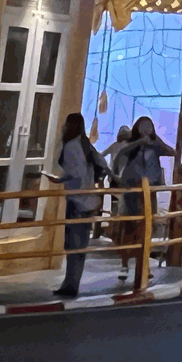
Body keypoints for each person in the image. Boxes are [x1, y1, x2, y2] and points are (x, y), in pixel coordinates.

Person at [46, 112, 110, 297]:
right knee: (80, 246)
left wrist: (60, 180)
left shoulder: (72, 146)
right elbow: (102, 164)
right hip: (89, 201)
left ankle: (70, 284)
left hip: (76, 200)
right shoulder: (86, 145)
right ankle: (73, 282)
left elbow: (76, 175)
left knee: (73, 245)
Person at [109, 116, 174, 287]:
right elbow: (120, 155)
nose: (147, 129)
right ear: (137, 128)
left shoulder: (154, 146)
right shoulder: (131, 145)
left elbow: (172, 152)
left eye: (150, 126)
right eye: (144, 126)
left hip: (150, 191)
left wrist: (157, 142)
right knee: (129, 227)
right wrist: (116, 177)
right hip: (133, 191)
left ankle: (144, 266)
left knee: (147, 228)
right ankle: (124, 265)